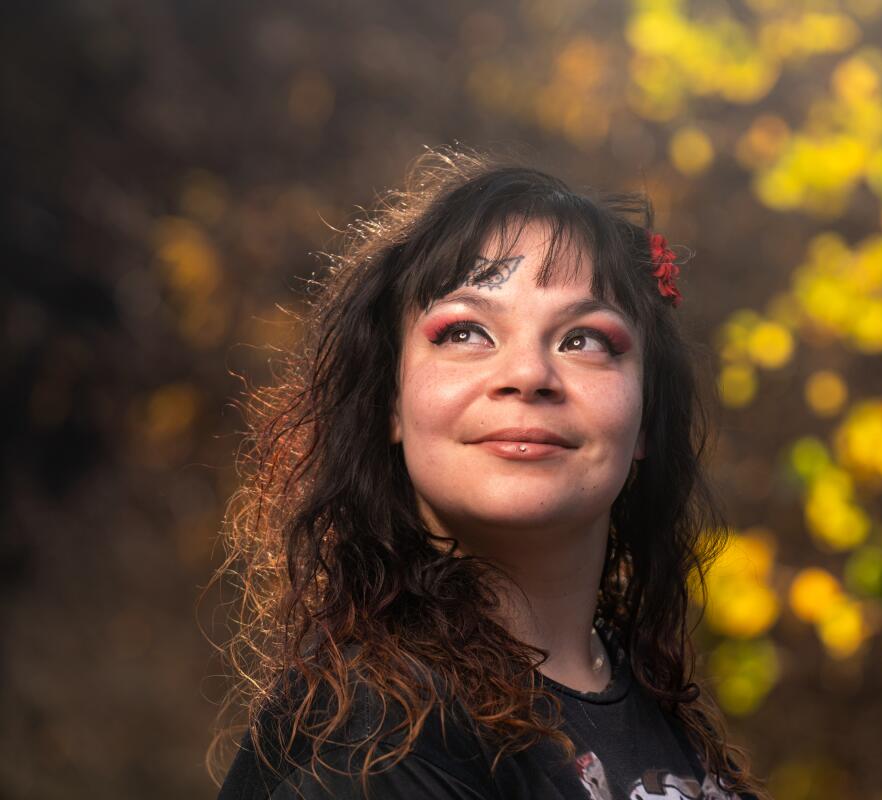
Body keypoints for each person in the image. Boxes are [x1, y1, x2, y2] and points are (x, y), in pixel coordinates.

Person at [209, 150, 767, 799]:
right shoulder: (371, 746)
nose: (528, 374)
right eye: (467, 332)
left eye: (584, 340)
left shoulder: (655, 708)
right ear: (390, 400)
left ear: (646, 420)